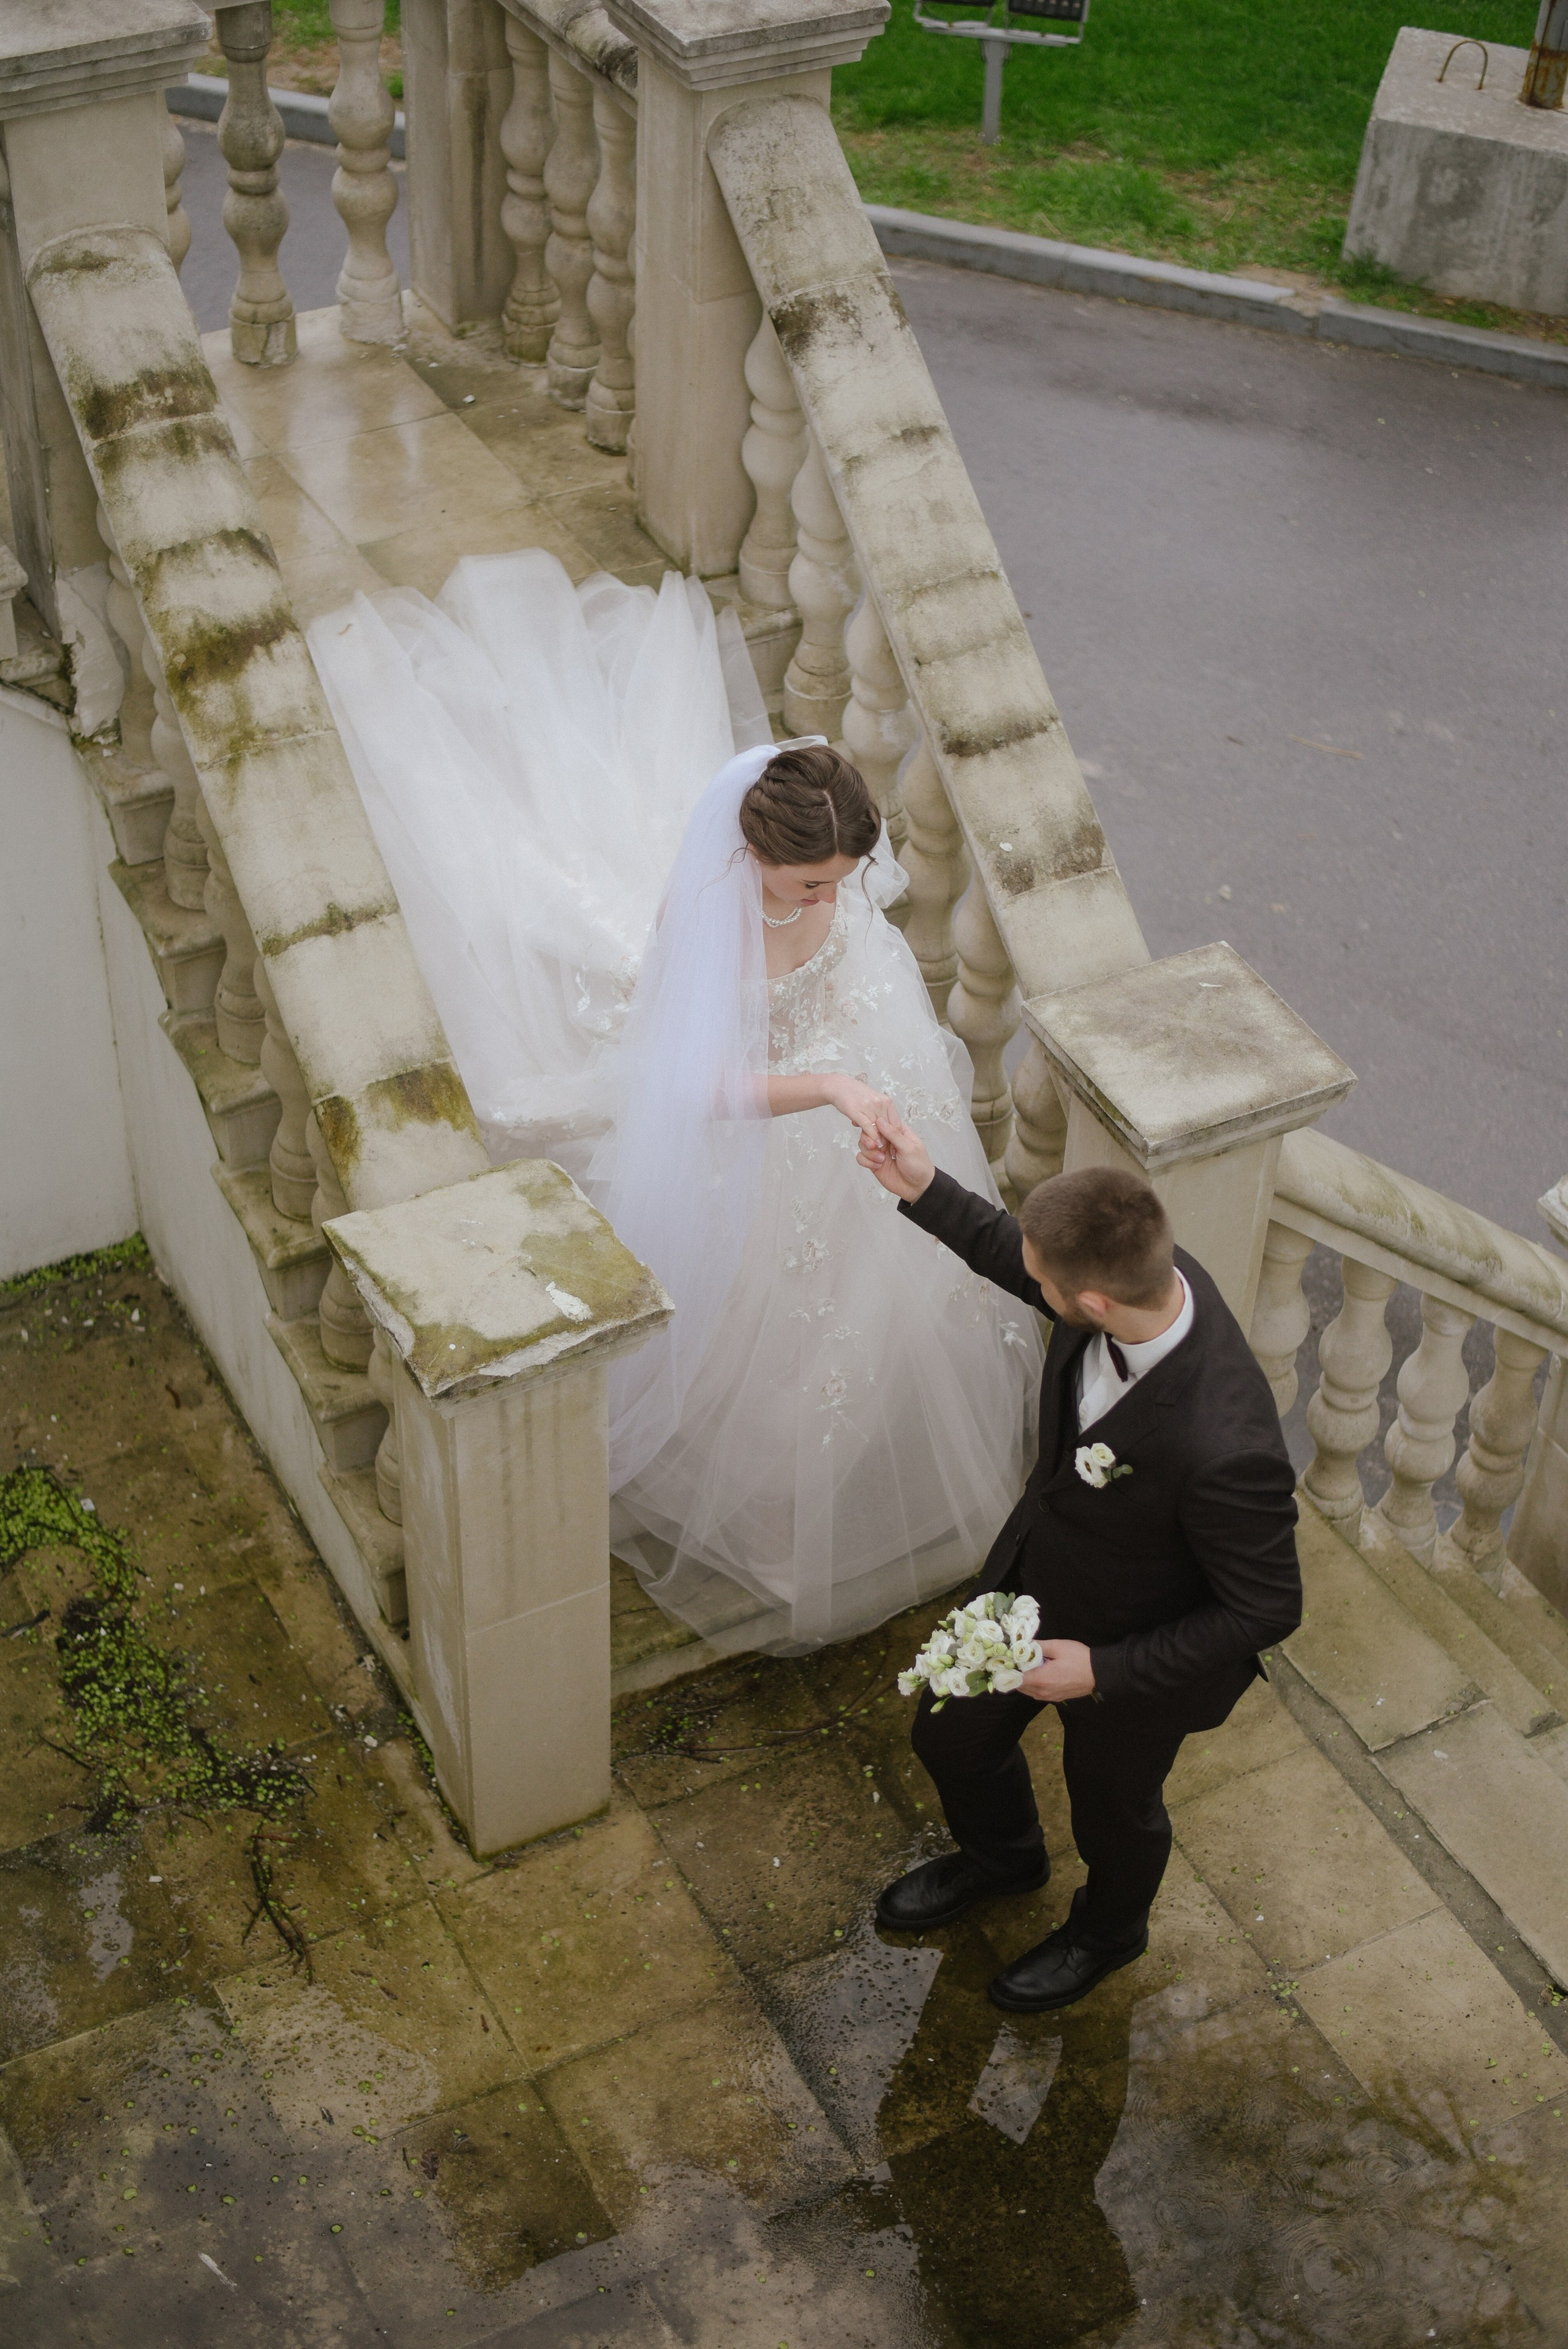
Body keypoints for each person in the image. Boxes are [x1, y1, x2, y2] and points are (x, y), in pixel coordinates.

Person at [307, 549, 1041, 1652]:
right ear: (749, 856)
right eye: (809, 885)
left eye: (841, 881)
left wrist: (876, 1069)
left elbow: (859, 960)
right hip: (763, 1124)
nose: (832, 900)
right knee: (764, 1339)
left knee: (896, 1309)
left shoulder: (829, 883)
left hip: (853, 1104)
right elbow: (694, 1085)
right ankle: (777, 1509)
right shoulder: (704, 917)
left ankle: (863, 1479)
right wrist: (834, 1084)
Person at [858, 1114, 1302, 2012]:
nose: (1033, 1280)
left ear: (1092, 1304)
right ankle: (1004, 1859)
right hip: (1033, 1583)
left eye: (1046, 1283)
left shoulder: (1228, 1447)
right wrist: (923, 1186)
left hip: (1138, 1655)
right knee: (947, 1736)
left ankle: (1108, 1932)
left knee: (1114, 1810)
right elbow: (1022, 1257)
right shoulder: (1140, 1279)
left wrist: (1103, 1669)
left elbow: (1266, 1608)